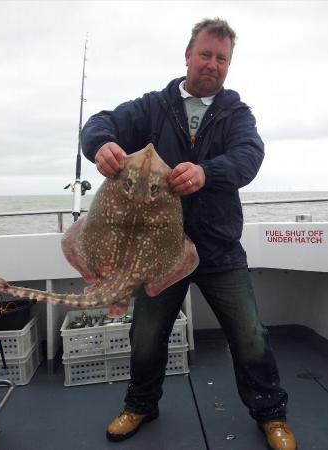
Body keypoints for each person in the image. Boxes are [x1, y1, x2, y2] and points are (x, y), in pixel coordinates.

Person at [81, 18, 297, 450]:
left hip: (218, 248)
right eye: (205, 54)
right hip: (160, 253)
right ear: (188, 55)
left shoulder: (235, 113)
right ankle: (140, 404)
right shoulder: (153, 107)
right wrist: (100, 144)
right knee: (145, 335)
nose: (212, 64)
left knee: (250, 333)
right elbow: (99, 123)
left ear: (228, 64)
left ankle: (270, 414)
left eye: (222, 58)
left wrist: (207, 171)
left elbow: (249, 156)